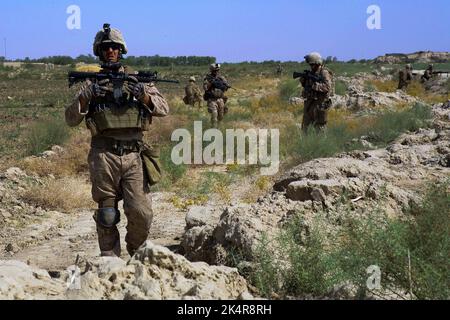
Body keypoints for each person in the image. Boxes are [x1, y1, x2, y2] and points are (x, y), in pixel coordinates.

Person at [64, 24, 169, 257]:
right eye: (105, 48)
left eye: (114, 47)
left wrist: (142, 94)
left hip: (134, 155)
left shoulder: (138, 80)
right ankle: (109, 261)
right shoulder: (91, 83)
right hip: (103, 155)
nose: (110, 51)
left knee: (141, 212)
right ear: (99, 52)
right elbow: (70, 119)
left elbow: (163, 109)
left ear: (121, 50)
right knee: (107, 214)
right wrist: (85, 97)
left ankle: (136, 251)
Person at [299, 52, 333, 132]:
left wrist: (314, 85)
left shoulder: (324, 73)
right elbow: (307, 87)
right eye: (310, 65)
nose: (310, 66)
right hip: (309, 105)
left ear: (317, 63)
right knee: (305, 129)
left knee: (320, 130)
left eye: (312, 64)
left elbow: (327, 87)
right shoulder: (312, 73)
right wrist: (304, 82)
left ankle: (321, 144)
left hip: (319, 106)